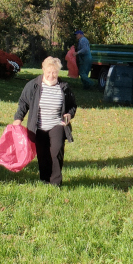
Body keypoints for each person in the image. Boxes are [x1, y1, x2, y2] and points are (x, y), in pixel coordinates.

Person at [13, 56, 77, 186]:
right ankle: (44, 180)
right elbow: (23, 103)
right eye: (48, 72)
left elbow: (72, 106)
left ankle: (55, 183)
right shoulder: (33, 85)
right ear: (43, 70)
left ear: (58, 72)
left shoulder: (64, 87)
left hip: (57, 124)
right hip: (38, 126)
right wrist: (18, 119)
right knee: (42, 155)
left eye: (54, 72)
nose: (51, 75)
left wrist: (69, 115)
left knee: (56, 151)